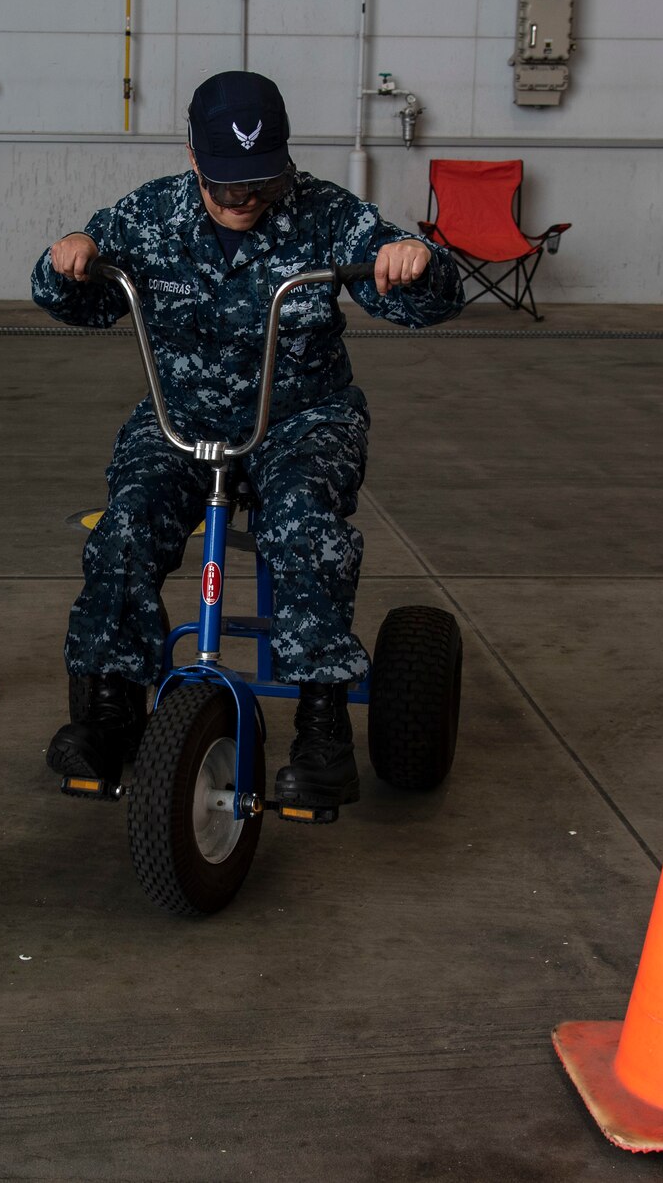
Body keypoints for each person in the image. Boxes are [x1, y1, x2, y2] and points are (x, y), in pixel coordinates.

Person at [33, 70, 461, 816]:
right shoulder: (151, 214)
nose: (243, 203)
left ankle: (322, 729)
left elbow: (430, 299)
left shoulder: (325, 213)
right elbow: (73, 296)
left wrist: (413, 264)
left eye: (258, 185)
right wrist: (67, 259)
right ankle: (105, 711)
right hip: (180, 421)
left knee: (303, 524)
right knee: (123, 527)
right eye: (226, 187)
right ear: (195, 160)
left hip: (301, 421)